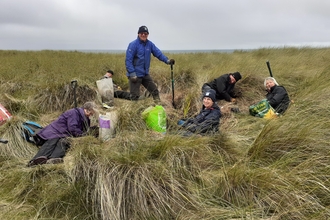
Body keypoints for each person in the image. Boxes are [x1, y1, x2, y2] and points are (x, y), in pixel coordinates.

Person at [27, 101, 97, 167]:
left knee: (64, 142)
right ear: (87, 110)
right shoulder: (74, 113)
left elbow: (84, 129)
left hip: (63, 134)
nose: (91, 115)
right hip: (55, 131)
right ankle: (35, 160)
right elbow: (72, 128)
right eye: (91, 113)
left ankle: (54, 158)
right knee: (53, 141)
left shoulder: (83, 116)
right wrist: (82, 135)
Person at [125, 25, 175, 102]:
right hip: (135, 74)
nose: (143, 35)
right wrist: (132, 73)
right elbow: (128, 60)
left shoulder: (150, 44)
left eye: (145, 33)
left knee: (155, 91)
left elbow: (158, 53)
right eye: (142, 33)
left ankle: (158, 107)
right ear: (138, 34)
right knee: (134, 97)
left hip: (145, 74)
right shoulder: (133, 44)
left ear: (148, 34)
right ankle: (133, 112)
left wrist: (167, 61)